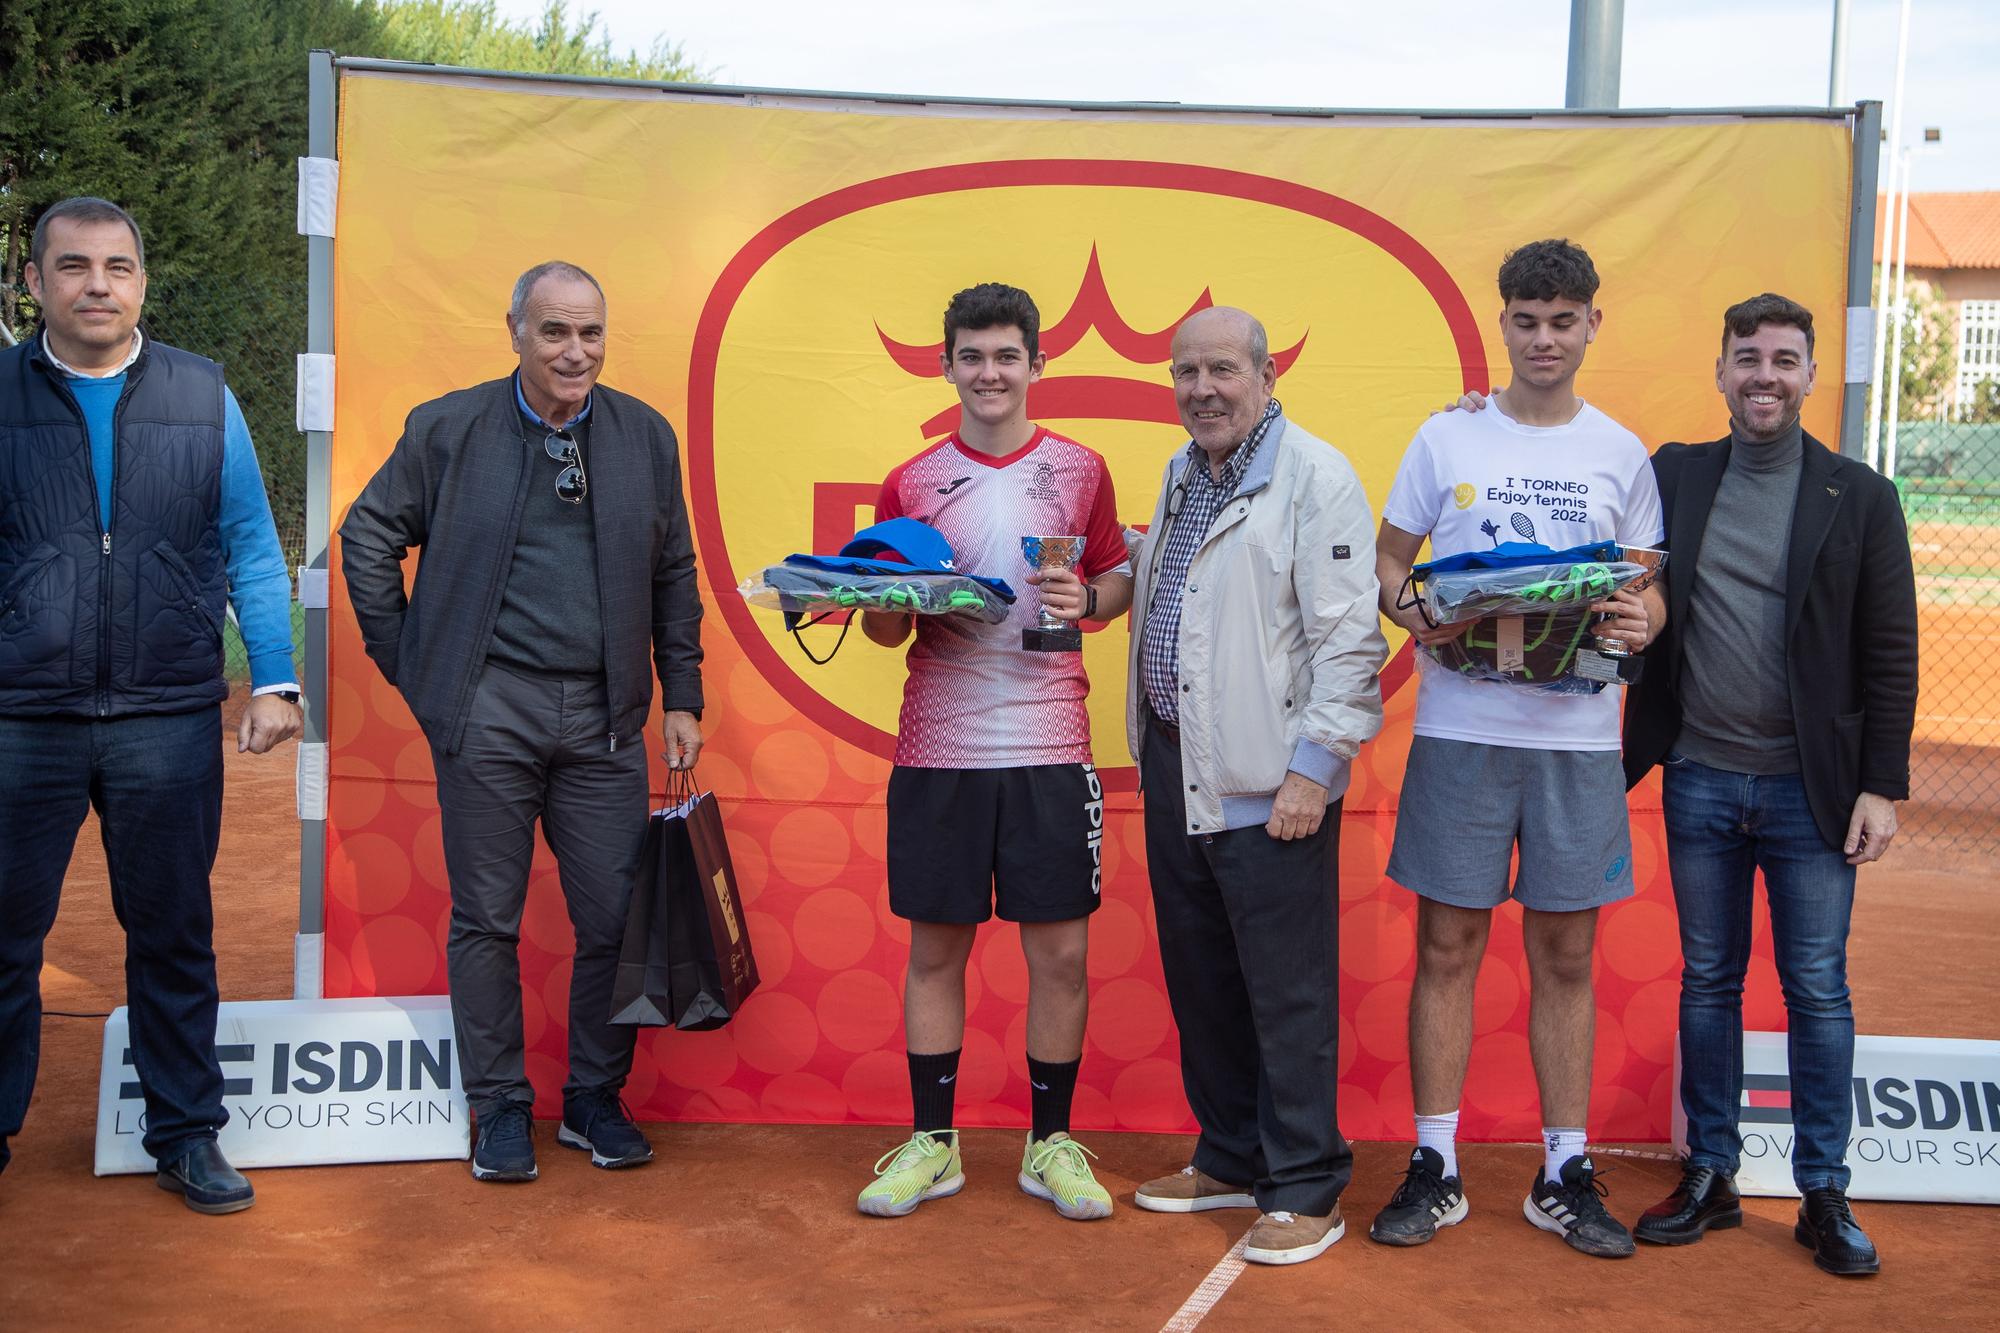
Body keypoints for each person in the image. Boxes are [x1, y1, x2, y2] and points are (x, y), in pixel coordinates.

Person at [340, 260, 703, 1184]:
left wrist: (684, 694)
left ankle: (591, 1097)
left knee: (615, 917)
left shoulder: (644, 436)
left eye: (588, 332)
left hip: (608, 717)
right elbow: (368, 536)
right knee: (487, 919)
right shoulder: (448, 427)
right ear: (514, 333)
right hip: (486, 707)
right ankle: (498, 1107)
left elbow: (674, 575)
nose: (573, 351)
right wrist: (417, 668)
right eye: (553, 331)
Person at [0, 197, 302, 1213]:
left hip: (166, 716)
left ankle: (183, 1132)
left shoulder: (202, 394)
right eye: (73, 265)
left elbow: (253, 547)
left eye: (118, 266)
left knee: (172, 931)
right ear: (33, 281)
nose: (97, 284)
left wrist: (273, 675)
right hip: (18, 718)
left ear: (142, 282)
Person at [1370, 239, 1663, 1259]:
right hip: (1460, 728)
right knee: (1445, 946)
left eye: (1562, 319)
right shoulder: (1445, 439)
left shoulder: (1621, 454)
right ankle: (1435, 1163)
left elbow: (1641, 585)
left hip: (1577, 739)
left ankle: (1561, 1170)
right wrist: (1417, 614)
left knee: (1566, 954)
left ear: (1589, 325)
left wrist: (1644, 622)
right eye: (1526, 320)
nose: (1543, 338)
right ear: (1503, 324)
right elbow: (1390, 564)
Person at [1623, 294, 1916, 1276]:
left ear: (1807, 373)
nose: (1763, 375)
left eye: (1782, 359)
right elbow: (1582, 500)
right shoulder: (1673, 473)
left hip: (1810, 792)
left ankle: (1821, 1192)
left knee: (1814, 990)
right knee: (1706, 980)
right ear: (1719, 370)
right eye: (1746, 356)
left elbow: (1887, 647)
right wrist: (1473, 419)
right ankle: (1708, 1174)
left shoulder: (1858, 495)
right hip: (1699, 775)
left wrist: (1879, 784)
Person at [853, 283, 1132, 1222]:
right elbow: (890, 632)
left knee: (1059, 956)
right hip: (941, 744)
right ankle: (934, 1143)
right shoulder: (912, 480)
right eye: (971, 355)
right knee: (936, 951)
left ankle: (1049, 1143)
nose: (989, 372)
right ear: (946, 366)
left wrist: (1089, 604)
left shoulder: (1083, 468)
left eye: (1006, 354)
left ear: (1037, 365)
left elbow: (1111, 576)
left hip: (1053, 742)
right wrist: (893, 604)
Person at [1126, 305, 1387, 1266]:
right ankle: (1231, 1153)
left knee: (1287, 992)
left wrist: (1313, 772)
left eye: (1223, 370)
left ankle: (1307, 1181)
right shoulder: (1181, 471)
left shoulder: (1315, 478)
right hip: (1176, 768)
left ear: (1268, 375)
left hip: (1272, 781)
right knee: (1204, 982)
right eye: (1187, 372)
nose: (1203, 389)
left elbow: (1351, 642)